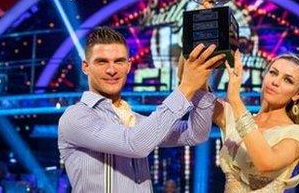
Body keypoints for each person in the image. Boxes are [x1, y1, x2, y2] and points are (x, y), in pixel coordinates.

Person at [58, 26, 225, 192]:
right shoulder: (75, 117)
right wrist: (186, 86)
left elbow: (195, 134)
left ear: (129, 66)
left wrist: (200, 87)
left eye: (119, 61)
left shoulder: (133, 119)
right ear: (86, 67)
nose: (111, 70)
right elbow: (134, 144)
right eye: (102, 62)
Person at [213, 50, 299, 192]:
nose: (275, 82)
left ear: (298, 94)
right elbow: (197, 97)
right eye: (273, 73)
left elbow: (265, 162)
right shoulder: (236, 117)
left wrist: (235, 99)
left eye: (287, 80)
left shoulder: (298, 134)